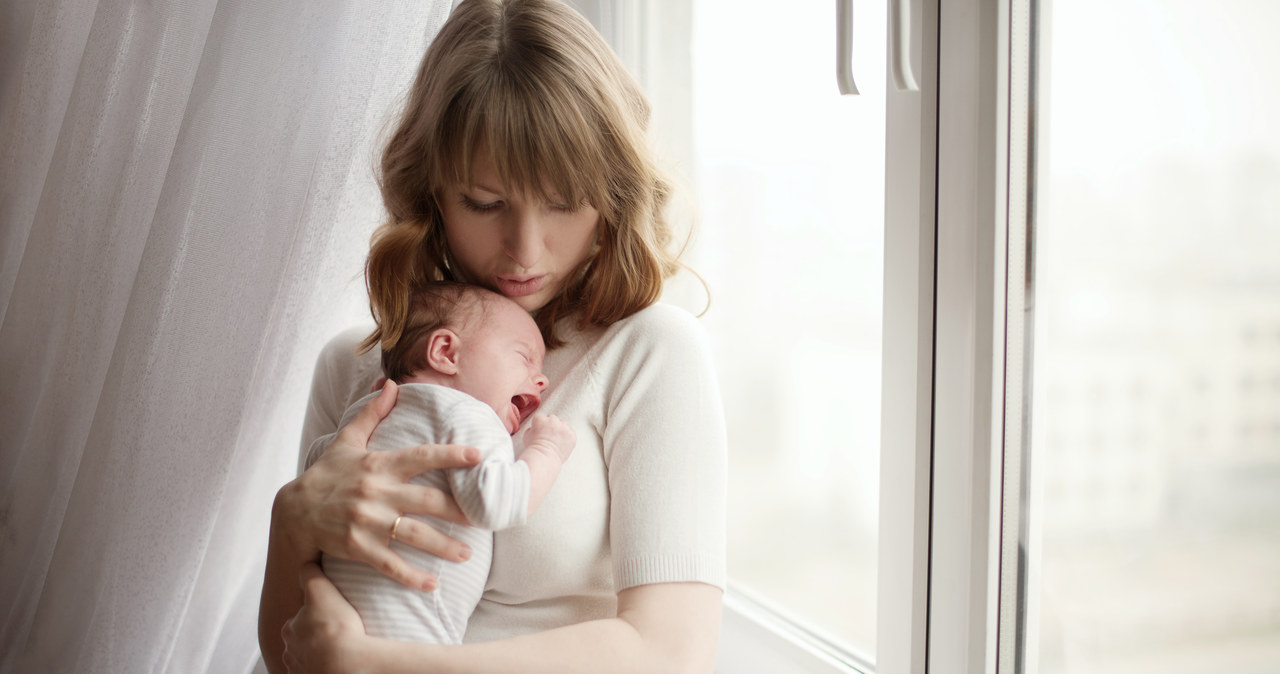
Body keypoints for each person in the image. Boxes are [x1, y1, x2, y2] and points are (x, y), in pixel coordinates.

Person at [258, 0, 727, 671]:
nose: (525, 250)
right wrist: (291, 523)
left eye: (564, 202)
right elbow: (290, 652)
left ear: (612, 197)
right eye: (485, 203)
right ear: (432, 195)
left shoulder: (651, 353)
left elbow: (673, 652)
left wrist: (379, 667)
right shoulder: (355, 367)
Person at [318, 282, 576, 645]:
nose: (542, 378)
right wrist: (548, 450)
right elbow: (496, 503)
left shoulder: (368, 412)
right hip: (410, 634)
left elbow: (317, 472)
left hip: (326, 620)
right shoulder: (468, 412)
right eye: (524, 357)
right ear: (445, 352)